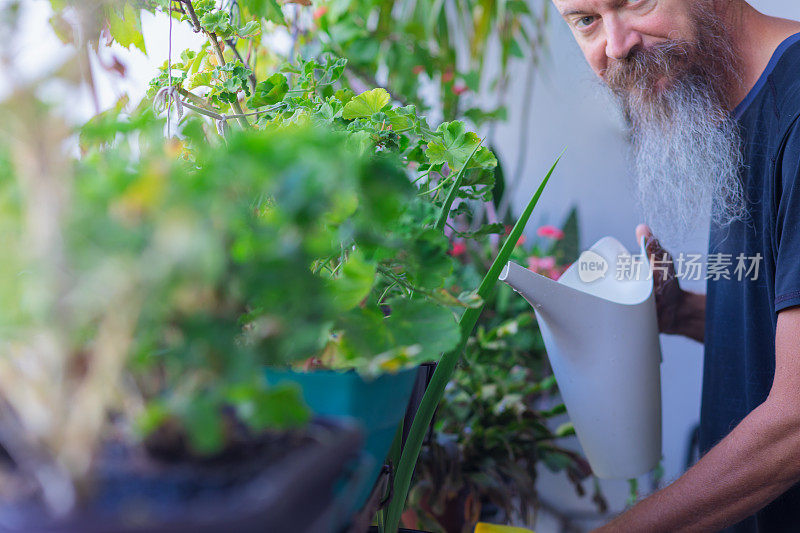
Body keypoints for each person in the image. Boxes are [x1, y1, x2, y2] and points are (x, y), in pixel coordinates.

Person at [552, 0, 800, 531]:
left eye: (634, 2)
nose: (616, 45)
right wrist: (683, 312)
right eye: (585, 20)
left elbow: (795, 421)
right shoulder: (731, 103)